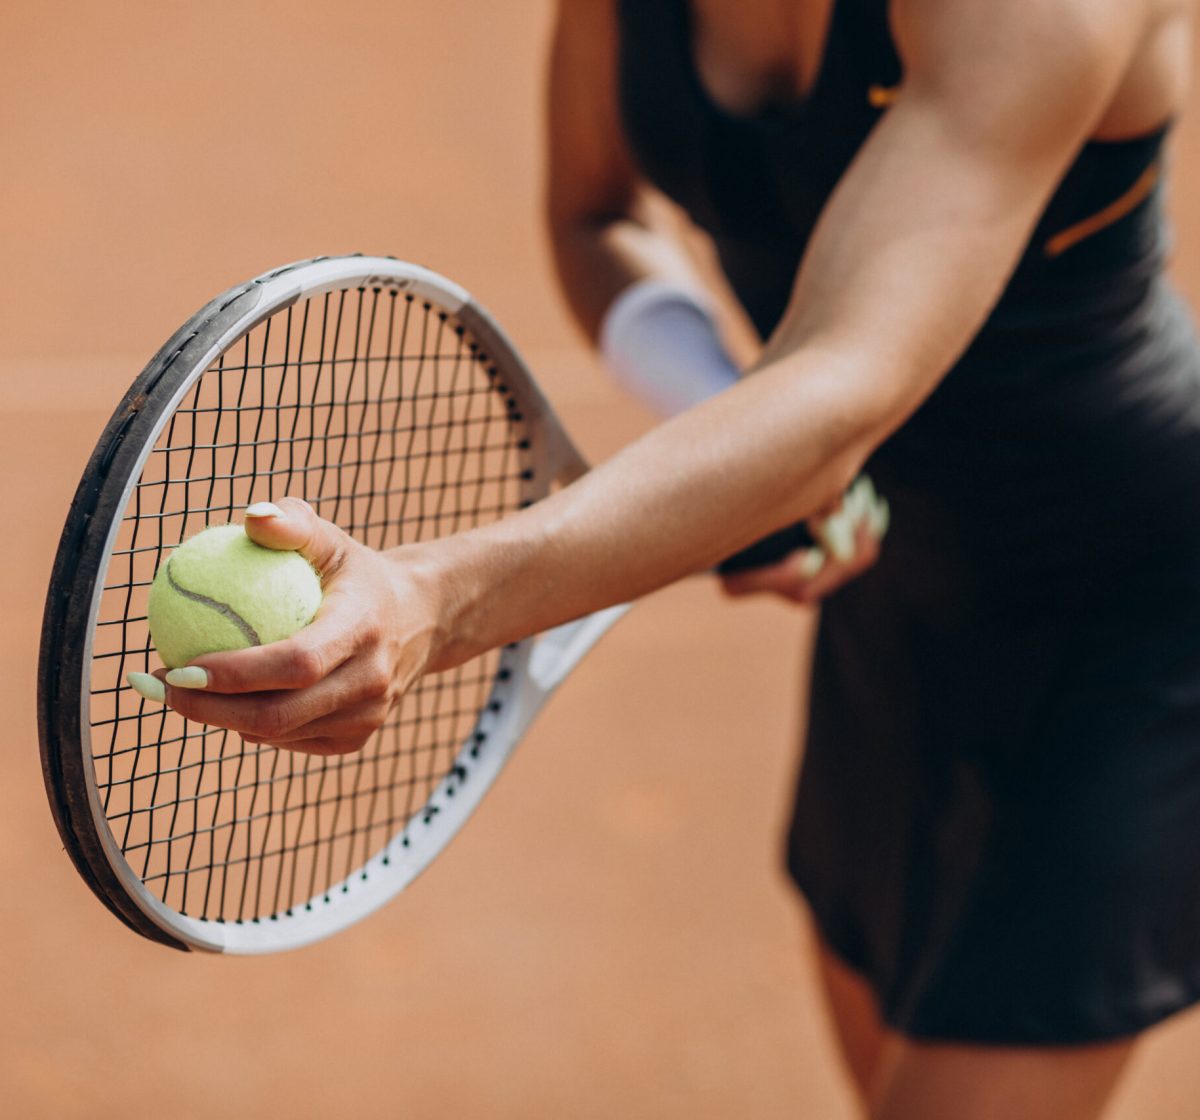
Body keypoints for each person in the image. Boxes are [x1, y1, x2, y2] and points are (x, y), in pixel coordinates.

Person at [141, 1, 1200, 1115]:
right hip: (890, 611)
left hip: (1124, 612)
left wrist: (437, 599)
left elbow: (848, 382)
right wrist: (728, 431)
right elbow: (597, 209)